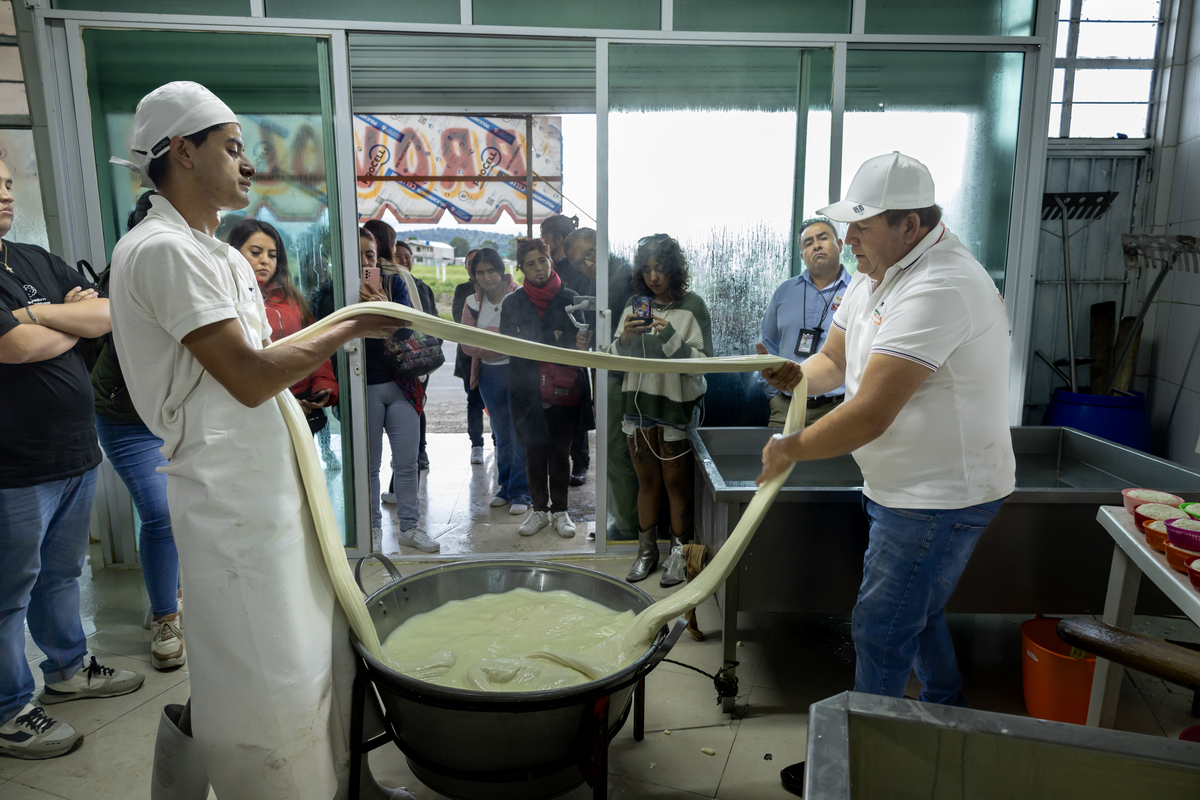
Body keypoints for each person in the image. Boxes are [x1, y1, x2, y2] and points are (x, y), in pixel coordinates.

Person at [107, 81, 410, 799]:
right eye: (233, 148)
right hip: (231, 498)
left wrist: (347, 320)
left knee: (308, 651)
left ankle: (335, 782)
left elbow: (264, 352)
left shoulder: (215, 253)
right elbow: (247, 377)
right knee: (262, 674)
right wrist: (352, 325)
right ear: (182, 152)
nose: (248, 165)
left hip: (270, 490)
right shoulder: (160, 252)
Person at [754, 152, 1014, 797]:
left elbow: (870, 412)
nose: (846, 242)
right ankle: (944, 716)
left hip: (940, 494)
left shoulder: (940, 285)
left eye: (861, 227)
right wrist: (798, 375)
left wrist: (790, 448)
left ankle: (863, 765)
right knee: (915, 615)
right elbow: (835, 362)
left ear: (911, 223)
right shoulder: (877, 274)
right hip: (900, 487)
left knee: (882, 627)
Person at [0, 157, 145, 760]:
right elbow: (16, 347)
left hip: (73, 453)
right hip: (11, 465)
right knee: (8, 590)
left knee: (61, 575)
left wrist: (32, 314)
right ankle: (9, 710)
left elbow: (106, 314)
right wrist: (60, 321)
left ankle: (66, 668)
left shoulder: (32, 259)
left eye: (7, 182)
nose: (5, 193)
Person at [91, 189, 186, 671]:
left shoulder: (202, 263)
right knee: (161, 513)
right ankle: (166, 617)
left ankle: (170, 593)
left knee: (186, 512)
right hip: (128, 417)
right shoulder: (128, 268)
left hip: (180, 413)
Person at [610, 234, 712, 584]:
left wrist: (670, 336)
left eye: (661, 268)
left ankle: (679, 555)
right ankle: (646, 552)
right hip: (637, 407)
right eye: (647, 269)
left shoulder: (693, 306)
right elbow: (612, 363)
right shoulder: (634, 306)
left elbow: (703, 365)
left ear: (674, 269)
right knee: (647, 482)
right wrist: (623, 340)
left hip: (676, 409)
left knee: (676, 484)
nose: (653, 276)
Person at [500, 238, 593, 539]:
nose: (538, 268)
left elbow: (577, 342)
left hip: (563, 387)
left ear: (552, 260)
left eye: (543, 260)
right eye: (530, 264)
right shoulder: (512, 302)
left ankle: (560, 512)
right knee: (533, 453)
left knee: (560, 452)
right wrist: (552, 336)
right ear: (521, 268)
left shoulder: (570, 298)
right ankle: (539, 511)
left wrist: (553, 339)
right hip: (526, 388)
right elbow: (509, 341)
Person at [357, 227, 437, 555]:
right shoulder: (334, 291)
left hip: (401, 385)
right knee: (369, 466)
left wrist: (384, 305)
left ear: (379, 258)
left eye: (371, 256)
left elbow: (405, 330)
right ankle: (372, 529)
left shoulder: (394, 284)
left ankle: (409, 528)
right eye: (358, 256)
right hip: (364, 388)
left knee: (406, 463)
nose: (365, 263)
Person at [228, 218, 339, 436]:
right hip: (257, 410)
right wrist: (284, 404)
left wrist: (322, 385)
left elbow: (314, 343)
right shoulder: (229, 300)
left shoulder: (292, 298)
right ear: (235, 254)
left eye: (272, 255)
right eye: (255, 252)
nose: (264, 261)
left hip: (304, 404)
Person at [760, 216, 852, 428]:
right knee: (779, 460)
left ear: (839, 245)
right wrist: (773, 394)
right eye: (808, 243)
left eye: (823, 238)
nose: (816, 246)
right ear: (802, 255)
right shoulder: (785, 292)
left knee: (834, 463)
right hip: (785, 407)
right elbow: (769, 343)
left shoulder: (858, 291)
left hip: (837, 408)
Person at [460, 248, 530, 517]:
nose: (487, 276)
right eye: (480, 272)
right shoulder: (472, 302)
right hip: (488, 376)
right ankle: (505, 486)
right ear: (473, 274)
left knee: (518, 433)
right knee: (501, 435)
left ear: (501, 270)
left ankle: (521, 491)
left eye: (491, 270)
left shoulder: (518, 296)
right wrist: (499, 340)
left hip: (517, 373)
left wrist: (487, 339)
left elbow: (521, 339)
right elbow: (467, 345)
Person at [394, 238, 439, 471]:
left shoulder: (421, 287)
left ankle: (420, 449)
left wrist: (432, 349)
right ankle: (404, 453)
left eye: (407, 256)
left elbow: (434, 319)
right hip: (396, 359)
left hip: (419, 358)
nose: (403, 260)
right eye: (398, 256)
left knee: (416, 404)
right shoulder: (388, 285)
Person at [452, 248, 486, 465]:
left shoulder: (496, 288)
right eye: (470, 263)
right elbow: (459, 319)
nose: (474, 267)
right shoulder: (462, 289)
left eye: (478, 262)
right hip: (468, 356)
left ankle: (499, 441)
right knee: (474, 402)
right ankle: (477, 445)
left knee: (497, 404)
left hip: (496, 356)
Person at [541, 213, 588, 294]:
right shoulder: (544, 265)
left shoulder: (580, 269)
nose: (542, 241)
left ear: (558, 238)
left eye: (544, 236)